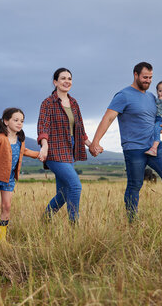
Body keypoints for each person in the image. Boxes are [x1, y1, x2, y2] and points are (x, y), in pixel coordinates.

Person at [89, 62, 162, 222]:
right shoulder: (123, 95)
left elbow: (157, 118)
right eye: (145, 77)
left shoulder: (152, 98)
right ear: (135, 75)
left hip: (155, 145)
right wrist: (95, 141)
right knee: (135, 185)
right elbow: (108, 118)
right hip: (133, 148)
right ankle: (132, 221)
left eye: (150, 78)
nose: (148, 81)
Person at [0, 108, 41, 243]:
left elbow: (25, 151)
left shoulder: (20, 140)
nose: (19, 123)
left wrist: (39, 155)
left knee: (7, 207)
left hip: (9, 179)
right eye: (15, 120)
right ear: (6, 121)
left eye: (22, 121)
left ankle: (2, 240)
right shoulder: (0, 138)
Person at [37, 68, 91, 223]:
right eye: (63, 78)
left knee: (63, 194)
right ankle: (74, 225)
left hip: (70, 149)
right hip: (54, 150)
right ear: (55, 82)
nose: (67, 81)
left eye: (69, 78)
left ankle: (44, 221)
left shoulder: (74, 103)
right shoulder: (48, 103)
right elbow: (43, 126)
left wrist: (90, 145)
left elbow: (79, 128)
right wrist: (44, 145)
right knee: (75, 186)